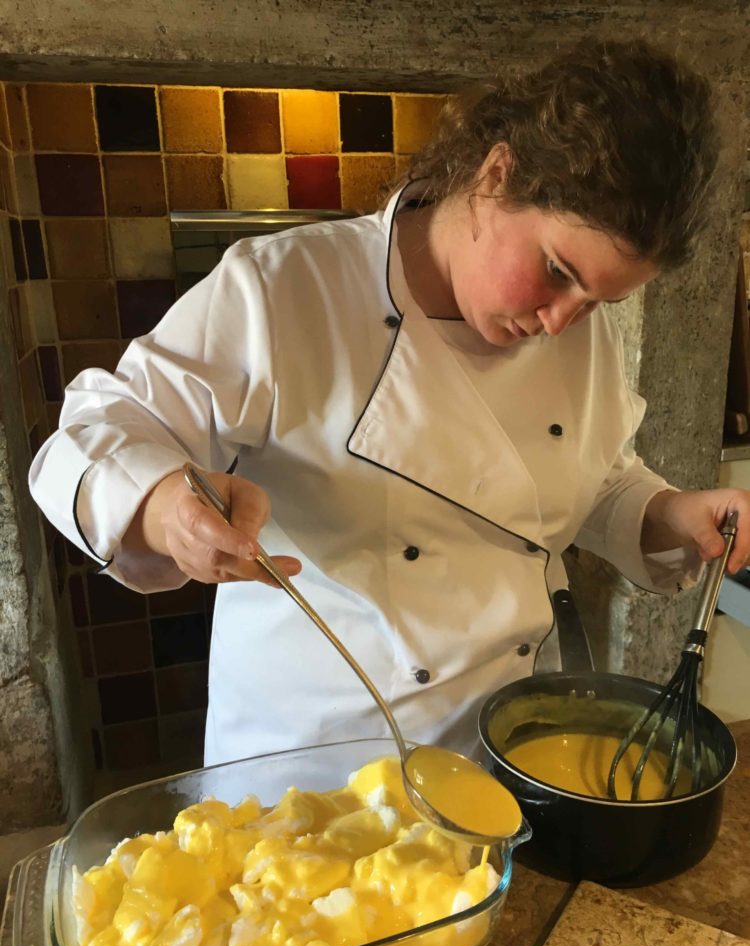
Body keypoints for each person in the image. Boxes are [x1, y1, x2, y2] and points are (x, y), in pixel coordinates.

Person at [29, 38, 750, 767]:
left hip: (502, 756)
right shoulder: (285, 288)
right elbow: (92, 434)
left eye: (601, 300)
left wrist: (668, 514)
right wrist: (162, 507)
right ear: (497, 176)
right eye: (557, 271)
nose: (563, 321)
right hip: (316, 776)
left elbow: (579, 478)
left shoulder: (567, 327)